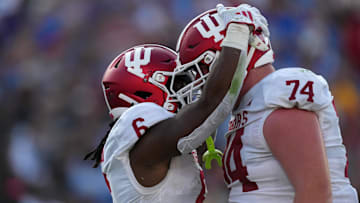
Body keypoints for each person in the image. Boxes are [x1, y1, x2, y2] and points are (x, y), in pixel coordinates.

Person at [176, 4, 359, 203]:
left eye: (203, 68)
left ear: (232, 55)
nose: (201, 83)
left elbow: (315, 193)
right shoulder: (250, 106)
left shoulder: (277, 94)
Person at [83, 14, 259, 202]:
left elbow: (206, 120)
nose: (184, 91)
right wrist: (236, 35)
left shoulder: (151, 143)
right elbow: (207, 106)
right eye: (178, 83)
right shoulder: (138, 134)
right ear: (144, 91)